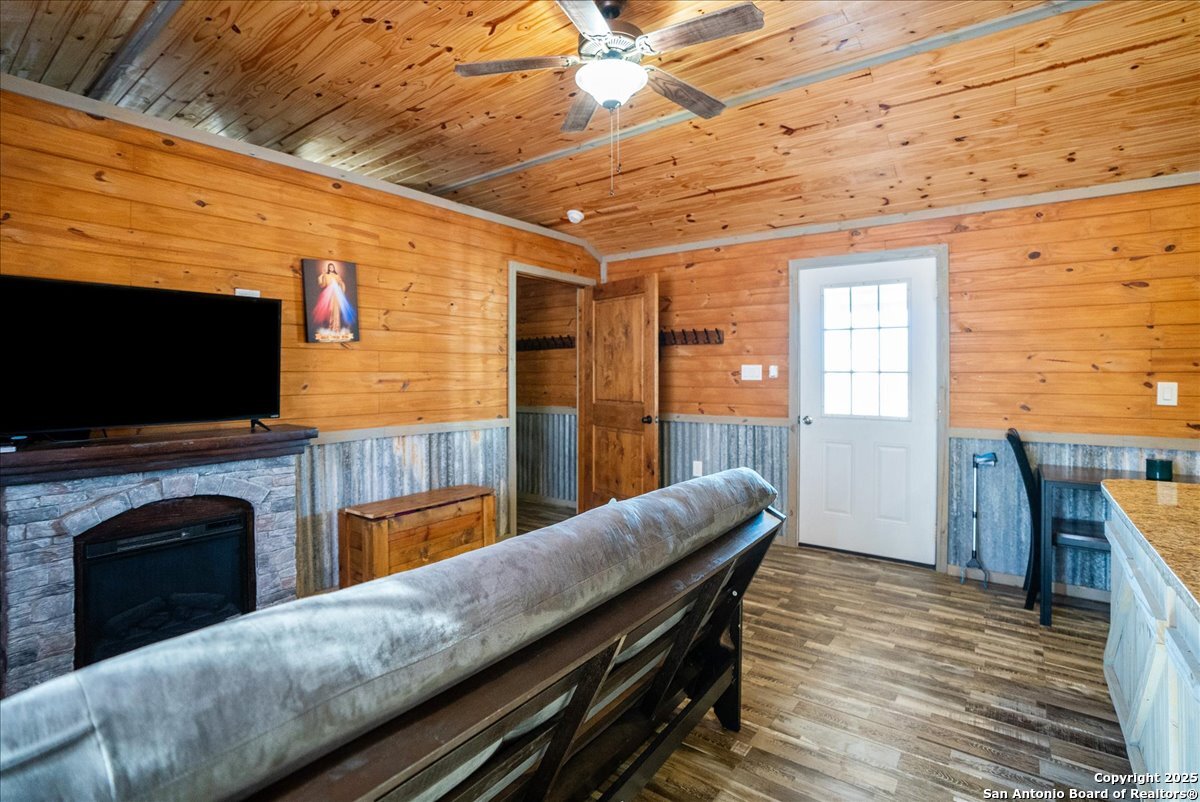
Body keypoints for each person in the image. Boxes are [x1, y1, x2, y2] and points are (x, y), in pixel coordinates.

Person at [313, 262, 356, 336]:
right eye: (330, 267)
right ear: (328, 268)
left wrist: (342, 288)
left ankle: (336, 327)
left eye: (332, 267)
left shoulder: (337, 276)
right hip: (329, 294)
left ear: (334, 268)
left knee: (336, 310)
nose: (331, 268)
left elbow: (341, 283)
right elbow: (323, 285)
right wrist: (322, 275)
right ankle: (331, 327)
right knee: (331, 310)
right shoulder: (326, 275)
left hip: (336, 294)